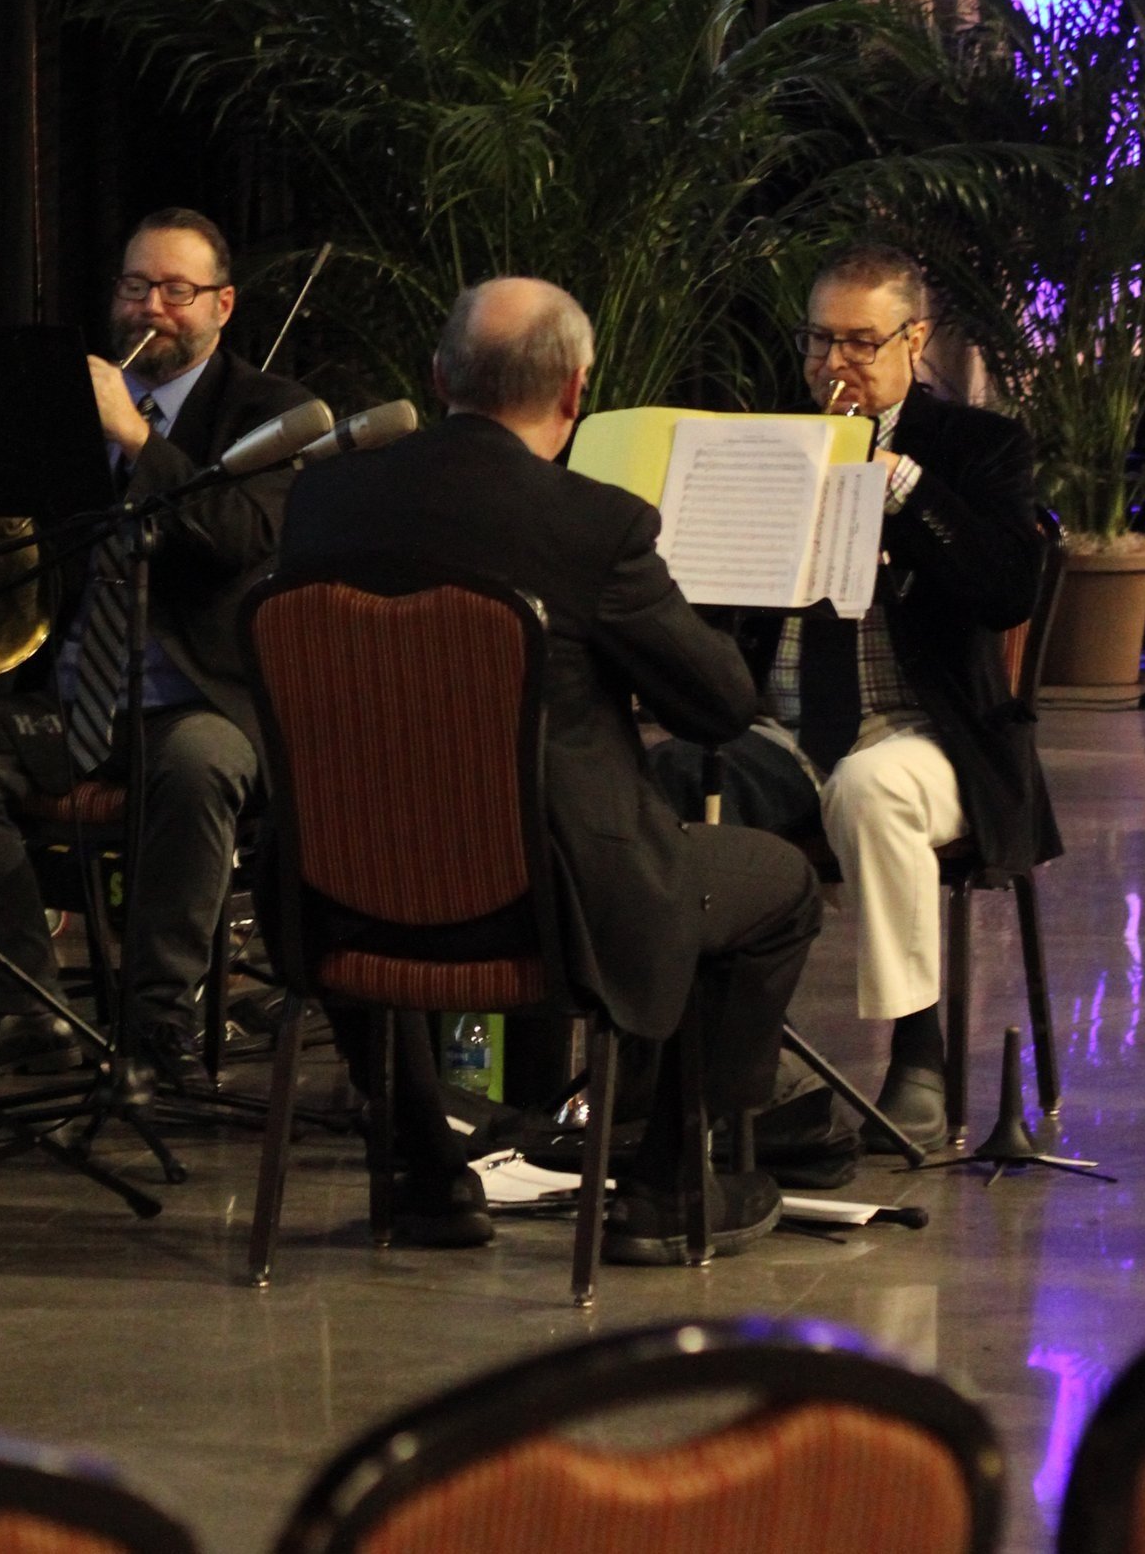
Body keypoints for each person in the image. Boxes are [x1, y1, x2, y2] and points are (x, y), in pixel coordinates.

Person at [278, 274, 821, 1260]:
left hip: (344, 898)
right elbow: (718, 706)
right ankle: (665, 1186)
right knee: (775, 885)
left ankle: (418, 1170)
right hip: (555, 916)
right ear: (575, 392)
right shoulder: (592, 527)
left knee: (383, 841)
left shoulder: (321, 504)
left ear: (440, 376)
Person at [651, 240, 1059, 1145]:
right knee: (665, 782)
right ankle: (701, 1058)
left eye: (860, 342)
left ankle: (917, 1052)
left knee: (870, 790)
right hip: (785, 728)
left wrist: (901, 483)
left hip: (925, 733)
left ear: (916, 341)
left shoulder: (978, 447)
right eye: (818, 340)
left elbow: (1006, 588)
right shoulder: (769, 444)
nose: (834, 364)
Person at [0, 209, 316, 1092]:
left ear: (221, 305)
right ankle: (26, 1006)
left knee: (197, 766)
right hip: (73, 695)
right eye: (134, 286)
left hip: (197, 698)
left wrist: (138, 439)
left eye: (176, 291)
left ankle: (159, 1021)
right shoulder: (72, 401)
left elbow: (234, 535)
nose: (151, 307)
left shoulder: (275, 413)